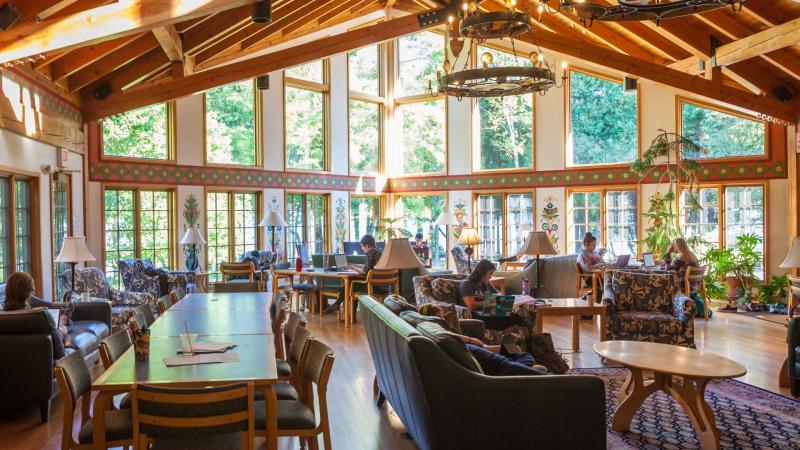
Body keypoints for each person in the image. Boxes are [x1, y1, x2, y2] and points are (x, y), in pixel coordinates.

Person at [459, 259, 524, 332]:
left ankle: (511, 335)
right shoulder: (467, 284)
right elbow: (470, 305)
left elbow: (499, 295)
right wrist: (491, 302)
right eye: (490, 273)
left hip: (490, 313)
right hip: (478, 316)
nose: (490, 277)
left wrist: (507, 300)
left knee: (517, 317)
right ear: (482, 272)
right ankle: (505, 334)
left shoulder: (486, 284)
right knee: (512, 320)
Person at [326, 234, 384, 312]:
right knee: (352, 281)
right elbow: (369, 267)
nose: (362, 249)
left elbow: (365, 272)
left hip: (376, 287)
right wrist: (354, 265)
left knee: (350, 284)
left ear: (366, 246)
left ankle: (338, 305)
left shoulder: (370, 253)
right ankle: (338, 306)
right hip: (383, 286)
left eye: (362, 247)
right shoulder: (379, 250)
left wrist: (352, 268)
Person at [2, 272, 69, 336]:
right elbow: (58, 345)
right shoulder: (42, 315)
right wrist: (62, 328)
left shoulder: (3, 318)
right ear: (30, 290)